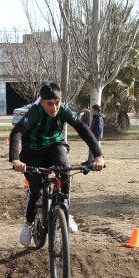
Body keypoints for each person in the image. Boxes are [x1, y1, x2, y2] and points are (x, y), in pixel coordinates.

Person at [10, 82, 104, 247]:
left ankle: (65, 212)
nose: (54, 108)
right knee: (36, 187)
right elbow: (16, 133)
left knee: (65, 172)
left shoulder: (64, 110)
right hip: (32, 152)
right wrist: (15, 159)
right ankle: (28, 223)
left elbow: (83, 129)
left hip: (55, 146)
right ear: (42, 101)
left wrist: (98, 156)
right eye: (49, 104)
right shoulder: (34, 112)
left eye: (57, 103)